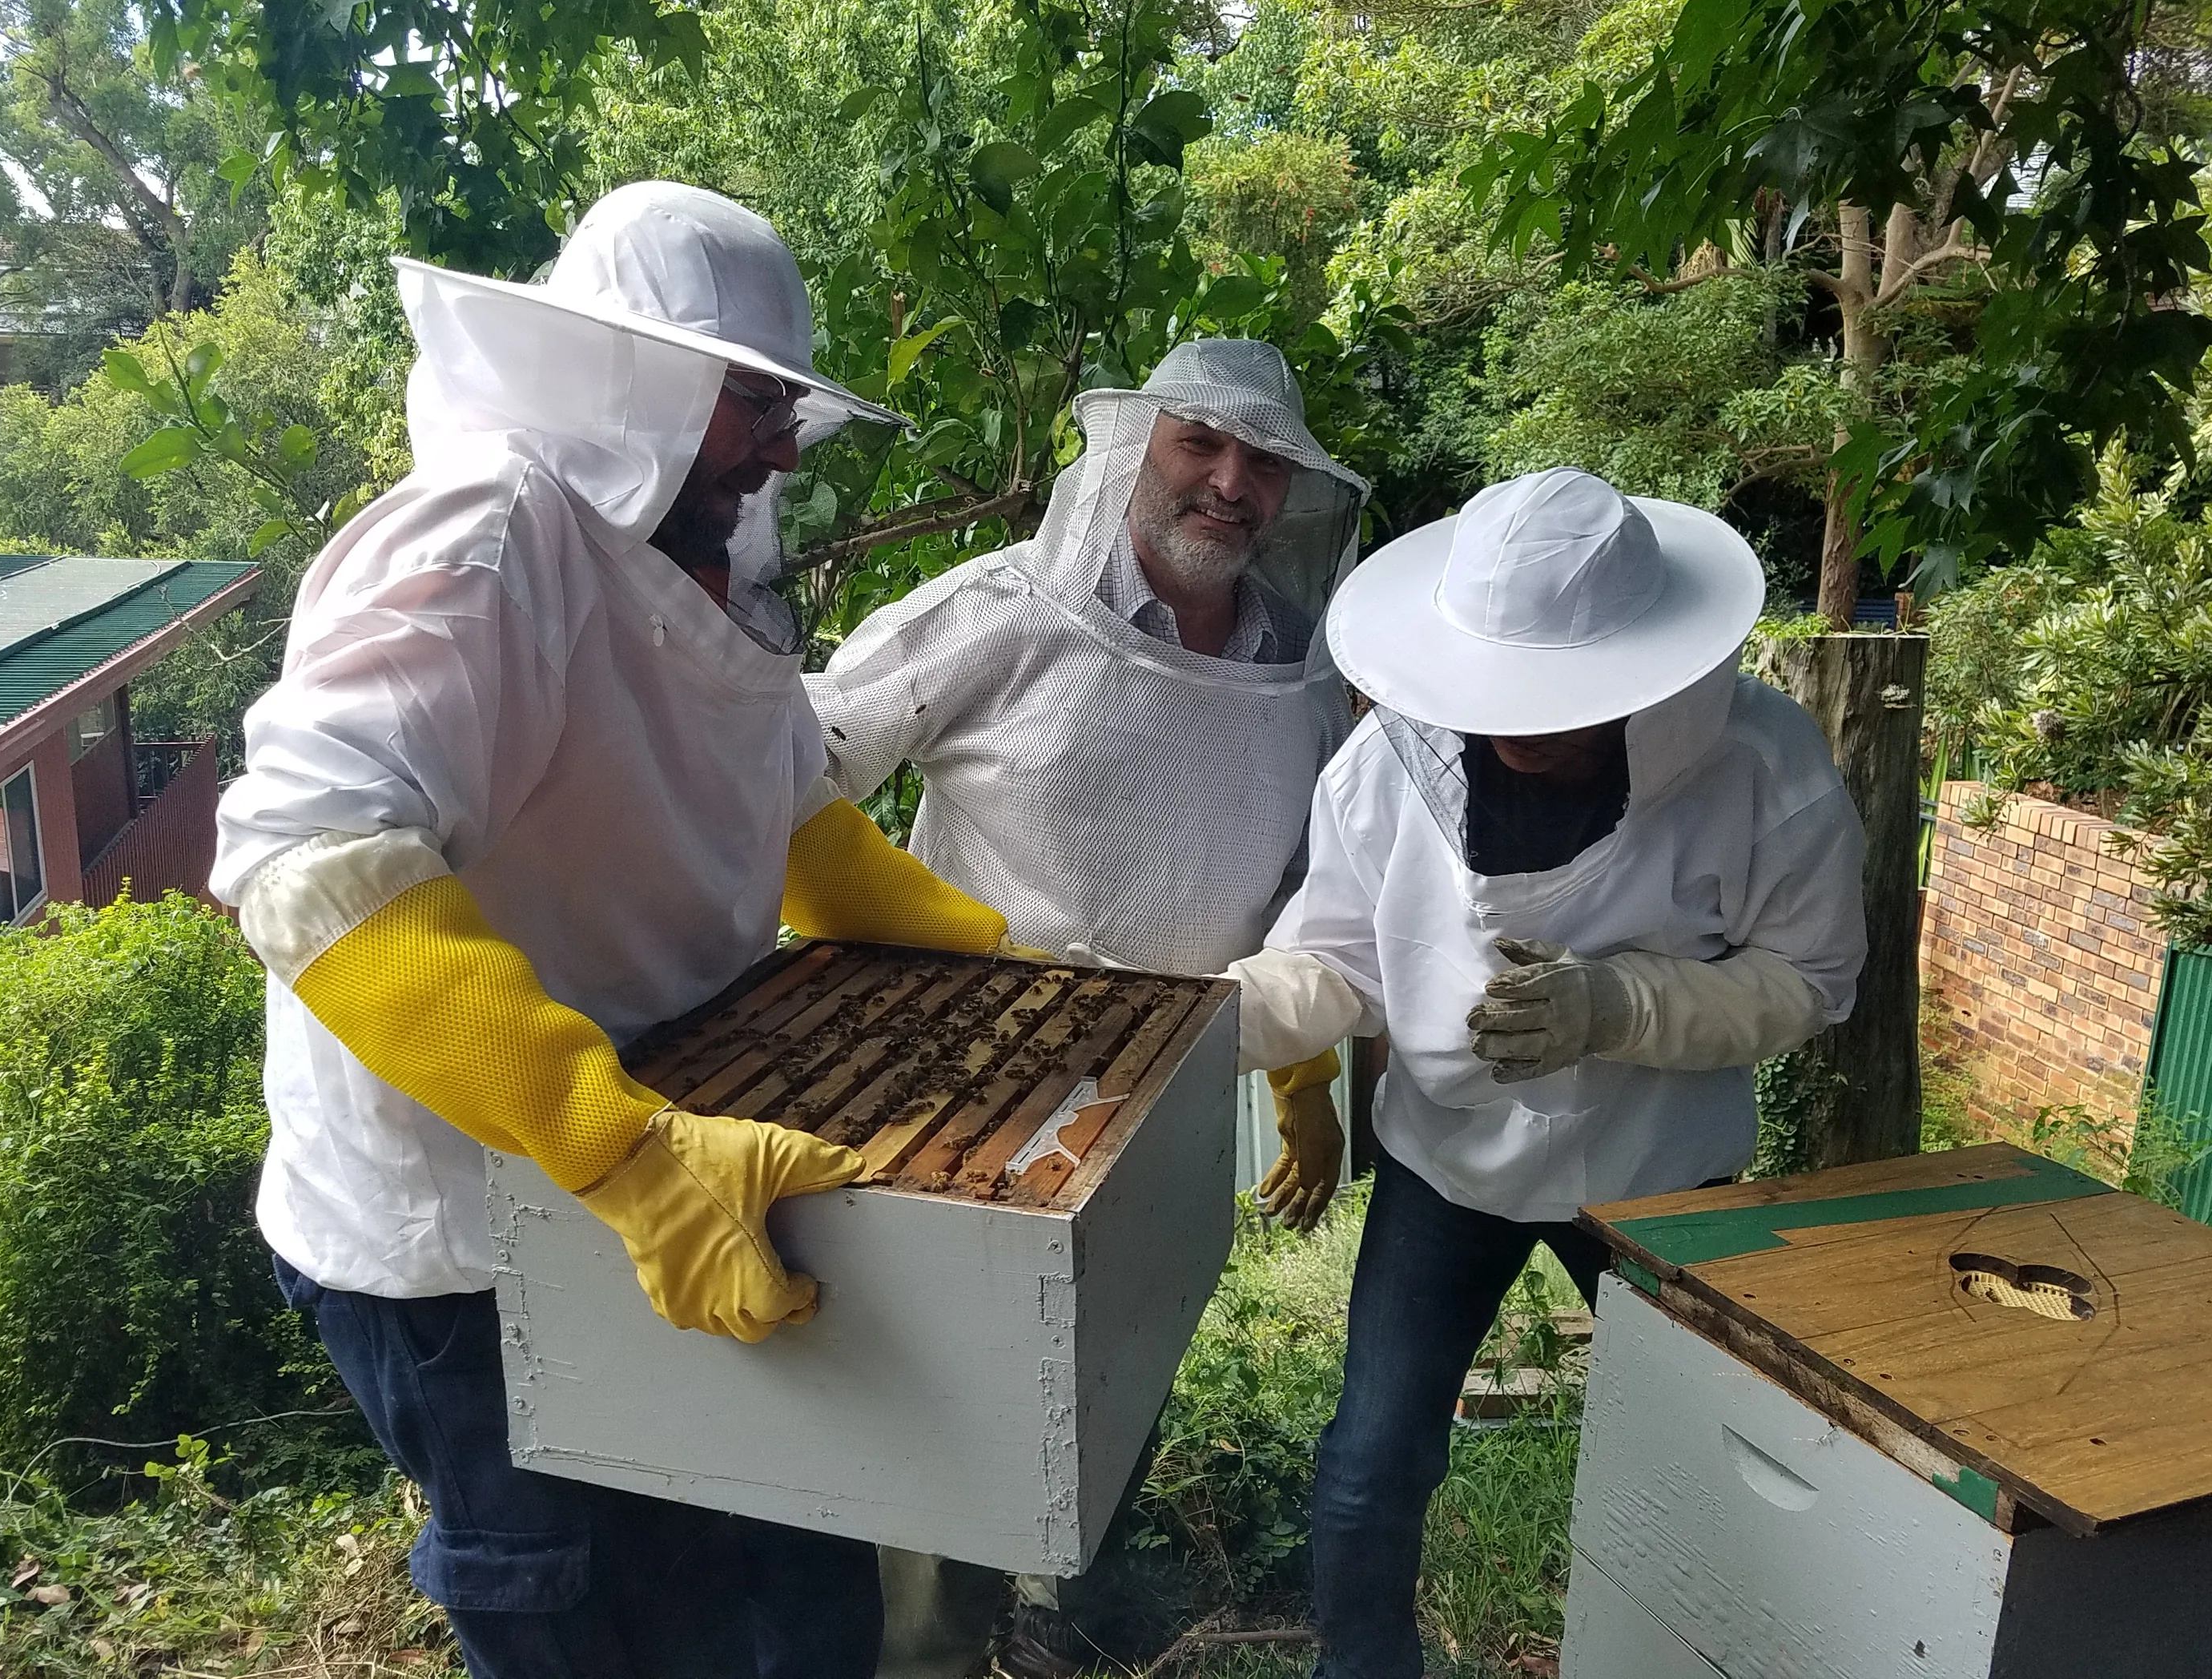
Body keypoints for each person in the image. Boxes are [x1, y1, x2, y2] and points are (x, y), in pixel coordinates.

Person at [211, 181, 1018, 1679]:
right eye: (754, 400)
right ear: (633, 381)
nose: (783, 444)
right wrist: (626, 1153)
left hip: (666, 1171)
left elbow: (784, 824)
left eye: (783, 403)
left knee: (787, 1578)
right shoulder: (484, 541)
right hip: (473, 1244)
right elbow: (309, 855)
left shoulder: (696, 561)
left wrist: (1001, 975)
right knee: (603, 1628)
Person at [1225, 467, 1868, 1679]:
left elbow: (1813, 979)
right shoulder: (1383, 767)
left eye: (1560, 695)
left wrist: (1617, 1003)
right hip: (1445, 1166)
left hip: (1661, 1175)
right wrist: (1212, 1024)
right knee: (1370, 1467)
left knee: (1714, 1460)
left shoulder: (1760, 762)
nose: (1520, 723)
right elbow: (1337, 965)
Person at [808, 339, 1370, 1677]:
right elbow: (799, 760)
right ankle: (928, 1652)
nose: (1232, 483)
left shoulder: (1307, 674)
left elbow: (1310, 887)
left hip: (1166, 1100)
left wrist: (1304, 1084)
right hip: (957, 1096)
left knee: (1118, 1371)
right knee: (942, 1414)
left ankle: (1059, 1620)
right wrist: (891, 932)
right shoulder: (1003, 612)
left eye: (1264, 462)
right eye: (1201, 445)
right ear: (1138, 447)